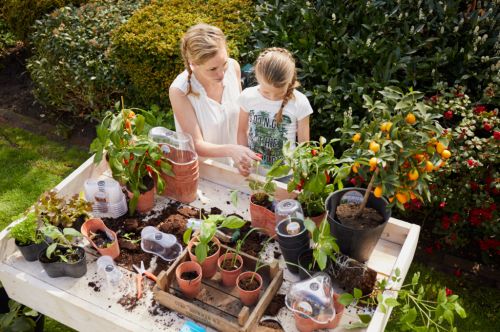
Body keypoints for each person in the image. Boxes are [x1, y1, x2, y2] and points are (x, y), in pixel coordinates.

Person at [169, 23, 259, 176]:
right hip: (206, 175)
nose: (222, 74)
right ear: (193, 64)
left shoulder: (233, 67)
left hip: (239, 167)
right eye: (212, 69)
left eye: (223, 63)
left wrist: (244, 152)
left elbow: (242, 120)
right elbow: (195, 145)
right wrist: (232, 151)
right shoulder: (180, 91)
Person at [237, 47, 312, 169]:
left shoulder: (300, 103)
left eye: (279, 93)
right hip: (255, 171)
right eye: (266, 92)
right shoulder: (247, 96)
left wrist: (301, 172)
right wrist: (245, 158)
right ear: (257, 76)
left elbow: (304, 145)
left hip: (287, 174)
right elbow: (241, 131)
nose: (272, 97)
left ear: (289, 81)